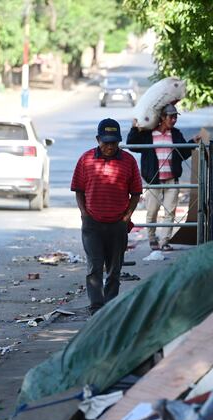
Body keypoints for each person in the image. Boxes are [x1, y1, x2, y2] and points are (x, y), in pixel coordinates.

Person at [71, 118, 142, 315]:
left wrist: (127, 216)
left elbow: (136, 193)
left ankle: (110, 308)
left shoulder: (128, 161)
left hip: (118, 225)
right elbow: (78, 190)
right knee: (94, 267)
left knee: (114, 270)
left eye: (113, 142)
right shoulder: (86, 159)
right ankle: (96, 307)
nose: (109, 146)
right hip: (92, 224)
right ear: (97, 139)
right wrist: (84, 215)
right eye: (105, 142)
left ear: (119, 141)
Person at [127, 104, 200, 251]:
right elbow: (132, 145)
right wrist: (134, 128)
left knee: (170, 212)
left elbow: (182, 154)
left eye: (175, 117)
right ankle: (152, 238)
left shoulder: (176, 134)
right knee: (152, 211)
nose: (173, 120)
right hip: (153, 180)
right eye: (171, 117)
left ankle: (164, 241)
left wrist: (192, 142)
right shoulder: (148, 134)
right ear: (162, 118)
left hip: (172, 179)